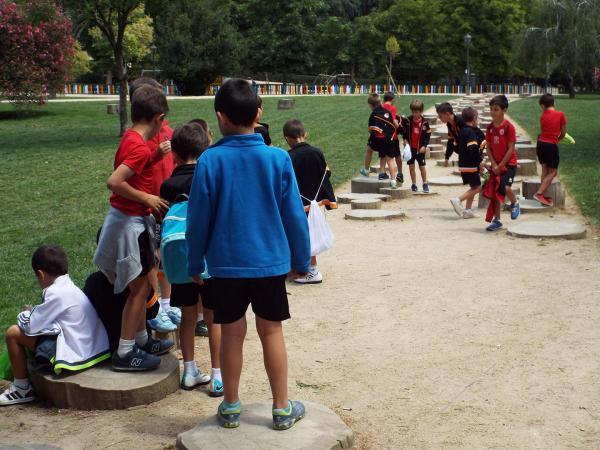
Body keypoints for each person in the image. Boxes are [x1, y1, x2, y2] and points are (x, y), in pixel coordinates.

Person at [186, 79, 310, 430]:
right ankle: (282, 409)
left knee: (231, 332)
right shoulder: (277, 159)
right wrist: (301, 261)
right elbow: (294, 217)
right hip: (269, 262)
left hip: (225, 265)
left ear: (220, 118)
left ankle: (231, 406)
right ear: (259, 113)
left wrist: (195, 262)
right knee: (271, 331)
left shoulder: (210, 161)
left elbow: (197, 220)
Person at [93, 85, 172, 371]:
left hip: (131, 220)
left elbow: (134, 168)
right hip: (129, 224)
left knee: (137, 286)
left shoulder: (131, 138)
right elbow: (115, 182)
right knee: (138, 288)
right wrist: (148, 198)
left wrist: (154, 158)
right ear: (158, 117)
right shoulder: (139, 146)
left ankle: (140, 338)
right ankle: (125, 352)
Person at [1, 246, 111, 406]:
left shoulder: (54, 292)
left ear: (41, 274)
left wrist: (26, 313)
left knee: (13, 333)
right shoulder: (68, 286)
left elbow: (31, 325)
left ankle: (21, 389)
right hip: (94, 350)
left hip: (77, 355)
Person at [160, 122, 223, 396]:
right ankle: (218, 376)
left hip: (180, 262)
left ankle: (189, 370)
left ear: (173, 154)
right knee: (212, 318)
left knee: (187, 316)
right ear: (206, 147)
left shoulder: (167, 186)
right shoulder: (210, 177)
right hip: (209, 258)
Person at [128, 78, 180, 334]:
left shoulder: (167, 133)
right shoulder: (138, 140)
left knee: (164, 254)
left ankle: (167, 304)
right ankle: (155, 307)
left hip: (165, 202)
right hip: (146, 206)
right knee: (151, 260)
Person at [85, 227, 163, 353]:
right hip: (135, 346)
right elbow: (153, 311)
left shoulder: (91, 281)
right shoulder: (135, 282)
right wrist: (151, 272)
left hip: (106, 345)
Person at [283, 119, 337, 285]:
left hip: (297, 203)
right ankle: (300, 268)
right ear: (305, 134)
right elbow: (326, 174)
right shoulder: (317, 152)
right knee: (308, 233)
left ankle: (311, 270)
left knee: (302, 236)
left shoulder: (288, 157)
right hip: (314, 202)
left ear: (287, 138)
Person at [484, 95, 520, 231]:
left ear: (504, 110)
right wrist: (494, 164)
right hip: (496, 165)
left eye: (496, 109)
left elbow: (511, 148)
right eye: (491, 109)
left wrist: (501, 165)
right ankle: (497, 220)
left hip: (509, 164)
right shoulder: (489, 128)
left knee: (505, 187)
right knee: (494, 193)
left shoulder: (509, 128)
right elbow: (488, 147)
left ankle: (515, 203)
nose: (492, 112)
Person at [450, 108, 484, 219]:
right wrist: (480, 161)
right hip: (471, 165)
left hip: (464, 164)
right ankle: (458, 200)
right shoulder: (470, 132)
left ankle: (468, 210)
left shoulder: (463, 130)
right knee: (479, 187)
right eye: (477, 118)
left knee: (473, 186)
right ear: (474, 119)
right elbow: (473, 149)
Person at [534, 93, 567, 206]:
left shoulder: (543, 115)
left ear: (543, 106)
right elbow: (563, 133)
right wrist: (558, 139)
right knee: (553, 172)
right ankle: (539, 193)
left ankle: (542, 195)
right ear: (554, 103)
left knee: (544, 170)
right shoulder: (561, 114)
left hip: (540, 144)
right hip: (550, 145)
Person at [361, 93, 398, 187]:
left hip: (378, 139)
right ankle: (393, 180)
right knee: (390, 160)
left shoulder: (374, 114)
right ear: (380, 102)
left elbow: (370, 129)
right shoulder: (387, 112)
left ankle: (366, 170)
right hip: (389, 139)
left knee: (369, 149)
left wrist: (372, 134)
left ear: (370, 105)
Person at [404, 100, 431, 193]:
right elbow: (404, 133)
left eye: (417, 112)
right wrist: (405, 140)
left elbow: (428, 136)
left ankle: (425, 183)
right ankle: (414, 184)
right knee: (411, 167)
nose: (415, 114)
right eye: (413, 112)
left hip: (420, 149)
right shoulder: (408, 120)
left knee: (422, 167)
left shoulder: (425, 123)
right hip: (411, 149)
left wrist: (424, 146)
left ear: (421, 111)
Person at [382, 92, 404, 184]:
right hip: (392, 136)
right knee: (397, 155)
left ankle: (382, 173)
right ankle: (399, 173)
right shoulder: (392, 108)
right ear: (393, 99)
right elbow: (394, 121)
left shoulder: (381, 107)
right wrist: (400, 126)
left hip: (382, 136)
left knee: (383, 155)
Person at [437, 102, 465, 167]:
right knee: (465, 170)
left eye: (440, 116)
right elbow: (450, 141)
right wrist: (447, 157)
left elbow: (469, 137)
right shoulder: (449, 125)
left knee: (479, 166)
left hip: (474, 146)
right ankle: (488, 176)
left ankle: (488, 176)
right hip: (465, 150)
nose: (439, 118)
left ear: (447, 114)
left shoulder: (461, 121)